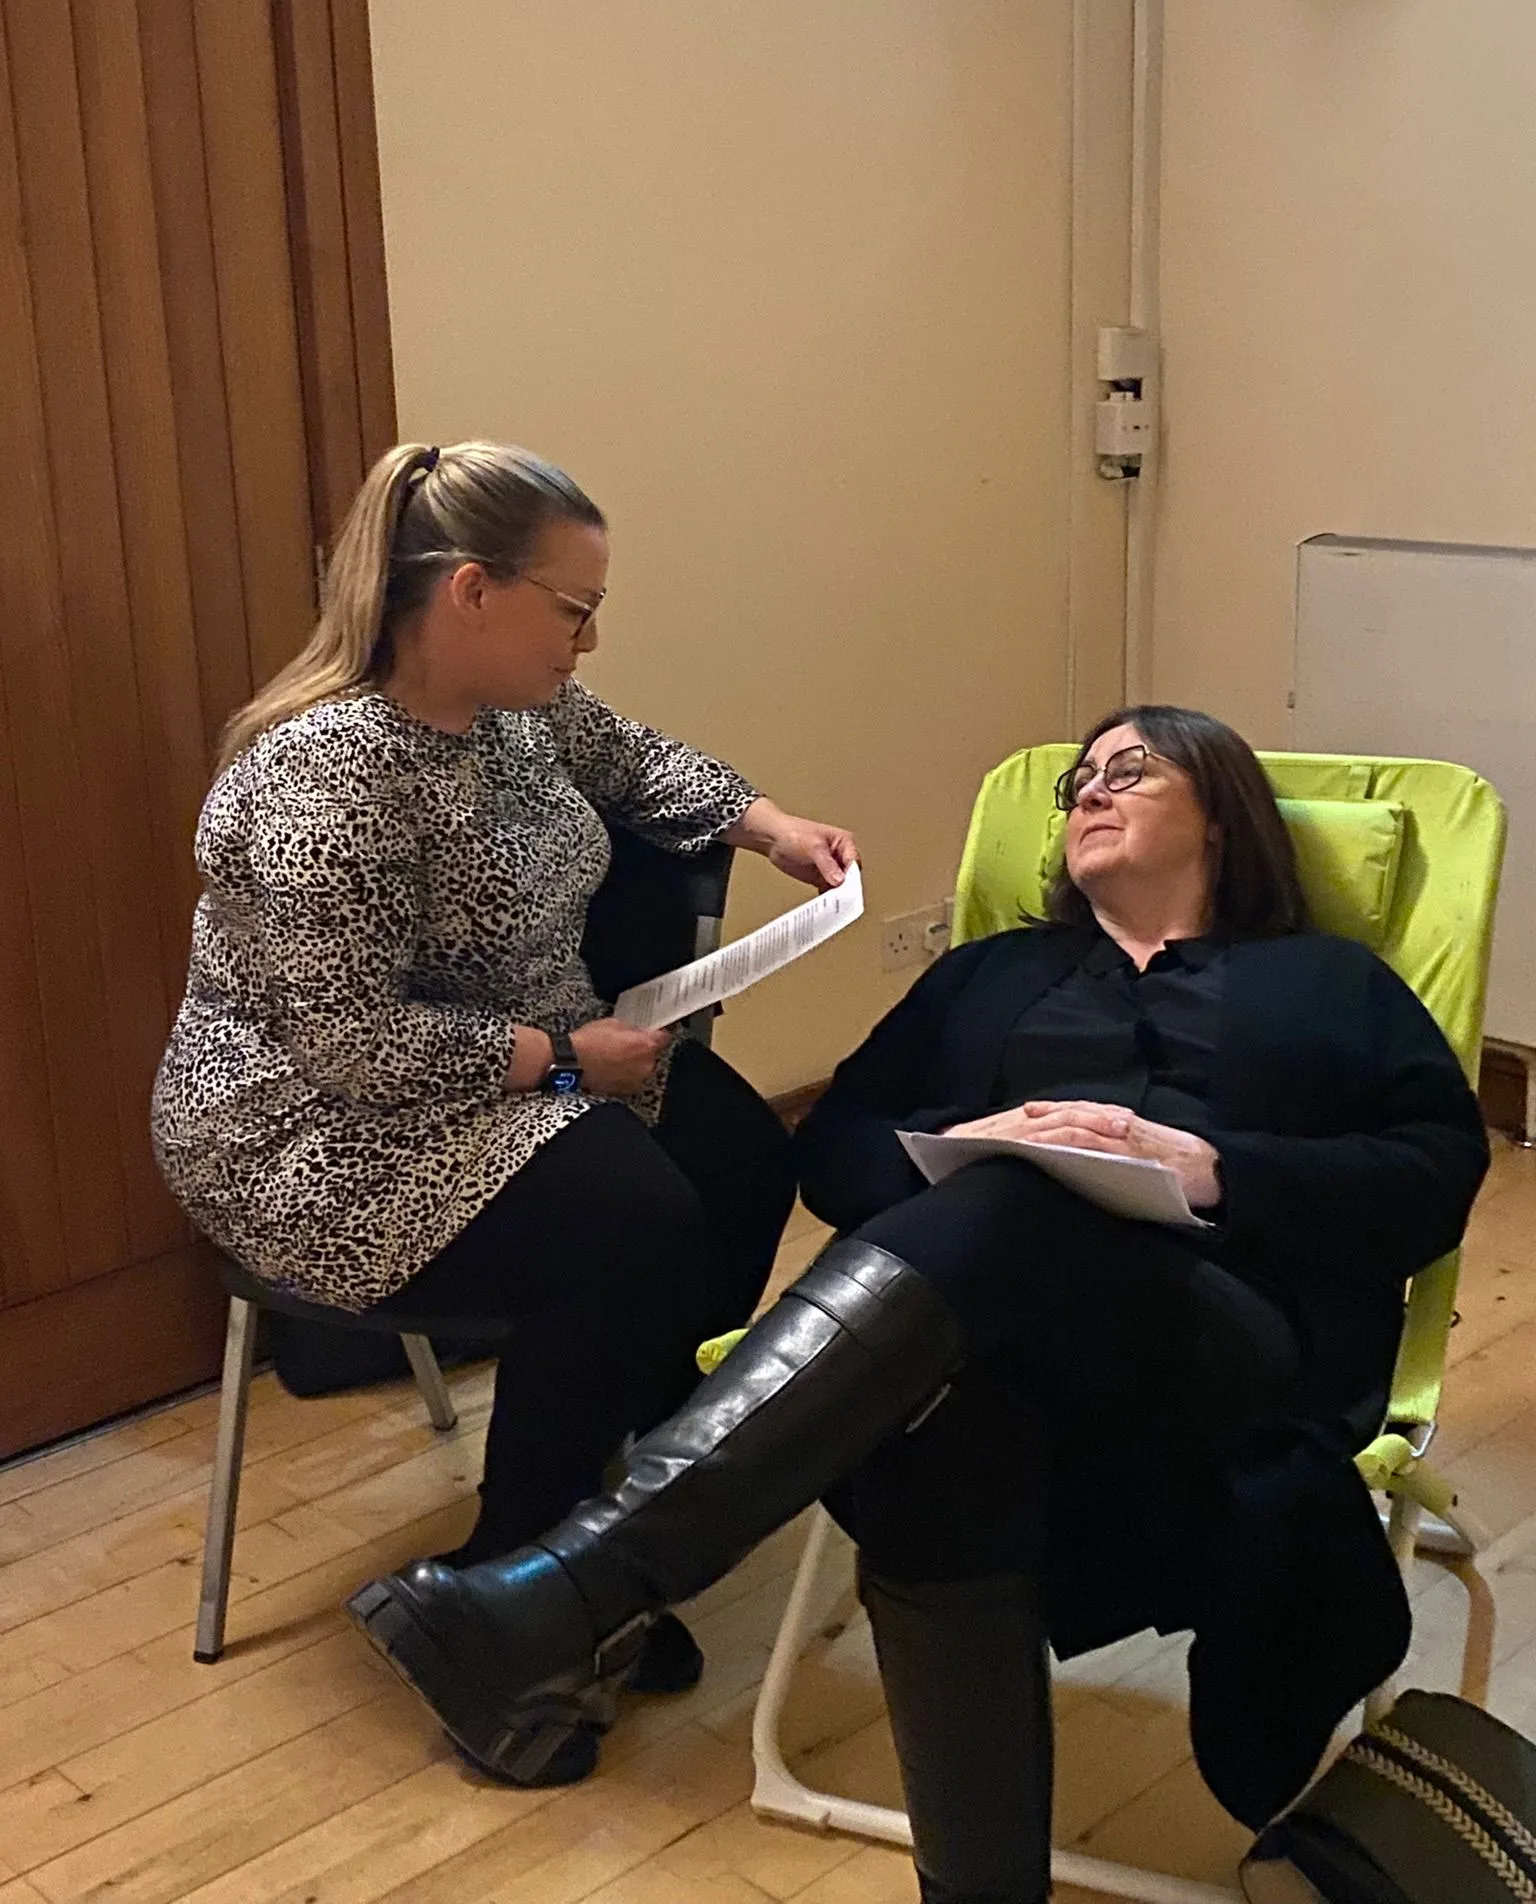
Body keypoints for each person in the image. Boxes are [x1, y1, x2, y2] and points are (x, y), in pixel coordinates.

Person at [345, 707, 1488, 1901]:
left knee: (1018, 1206)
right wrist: (961, 1139)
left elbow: (1434, 1172)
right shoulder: (990, 975)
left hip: (1226, 1338)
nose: (1092, 791)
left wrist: (1211, 1168)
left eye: (1132, 769)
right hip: (997, 1348)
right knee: (935, 1445)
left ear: (1222, 813)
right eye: (1080, 780)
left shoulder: (1330, 982)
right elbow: (838, 1143)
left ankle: (579, 1585)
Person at [153, 439, 856, 1785]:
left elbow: (633, 761)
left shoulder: (520, 709)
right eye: (574, 608)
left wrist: (771, 825)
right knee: (633, 1227)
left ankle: (609, 1532)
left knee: (742, 1166)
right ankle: (512, 1591)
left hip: (519, 1059)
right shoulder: (325, 777)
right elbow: (351, 1043)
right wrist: (567, 1059)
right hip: (311, 1131)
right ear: (472, 591)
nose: (590, 641)